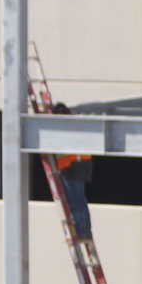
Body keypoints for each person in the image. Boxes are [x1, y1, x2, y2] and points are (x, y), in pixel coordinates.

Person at [52, 103, 93, 242]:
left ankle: (81, 232)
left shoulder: (63, 124)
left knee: (75, 200)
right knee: (80, 199)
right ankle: (85, 231)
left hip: (71, 165)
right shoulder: (74, 121)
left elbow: (58, 144)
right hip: (81, 163)